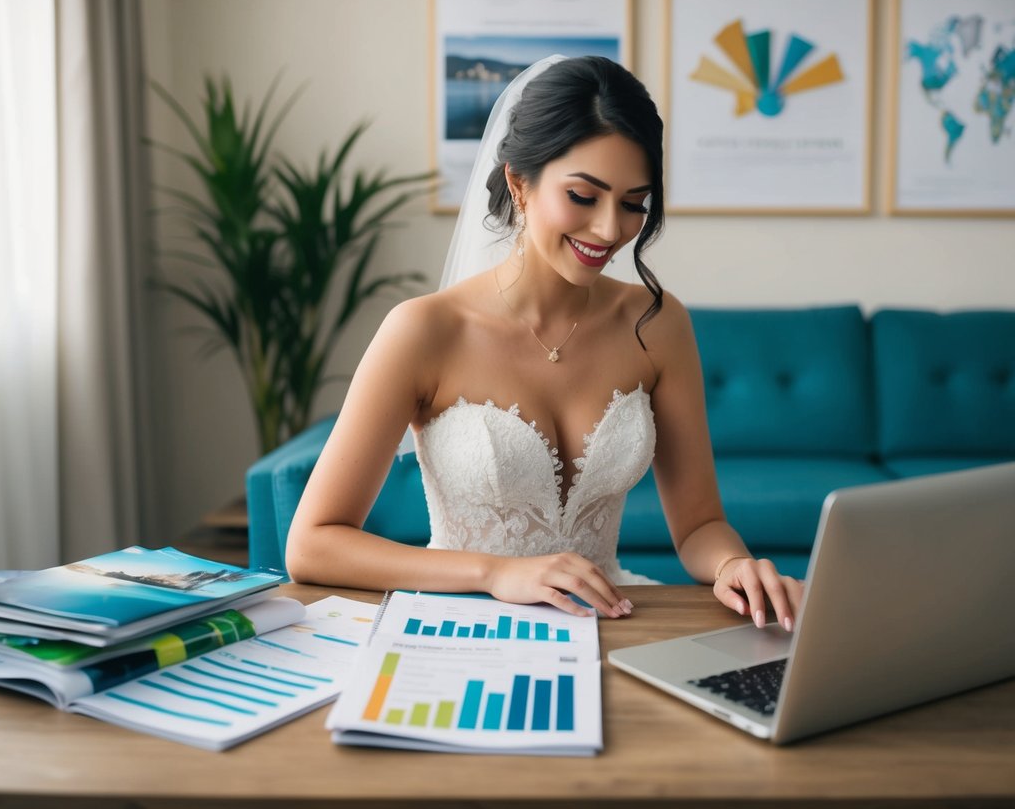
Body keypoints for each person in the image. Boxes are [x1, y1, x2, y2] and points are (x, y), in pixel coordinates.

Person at [286, 55, 804, 629]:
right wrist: (493, 573)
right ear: (519, 182)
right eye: (584, 196)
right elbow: (312, 545)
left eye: (634, 203)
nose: (611, 230)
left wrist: (734, 563)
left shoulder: (658, 323)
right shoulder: (425, 331)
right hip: (460, 621)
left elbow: (700, 524)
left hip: (610, 621)